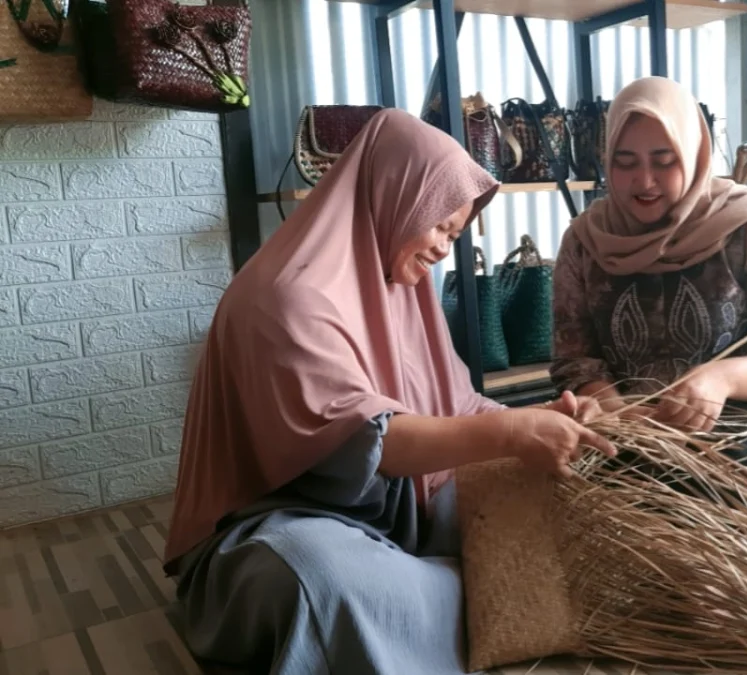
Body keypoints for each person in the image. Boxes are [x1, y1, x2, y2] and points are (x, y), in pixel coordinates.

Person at [162, 108, 615, 675]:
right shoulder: (285, 299)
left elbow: (459, 405)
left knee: (529, 484)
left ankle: (445, 596)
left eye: (455, 235)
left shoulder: (398, 285)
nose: (444, 250)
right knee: (321, 578)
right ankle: (463, 598)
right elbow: (361, 438)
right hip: (279, 520)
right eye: (439, 228)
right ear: (394, 198)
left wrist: (547, 417)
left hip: (390, 510)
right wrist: (510, 431)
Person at [550, 76, 747, 519]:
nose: (643, 181)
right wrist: (614, 409)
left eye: (663, 161)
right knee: (576, 493)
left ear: (694, 153)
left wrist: (719, 380)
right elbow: (575, 358)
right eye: (625, 162)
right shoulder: (586, 240)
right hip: (631, 426)